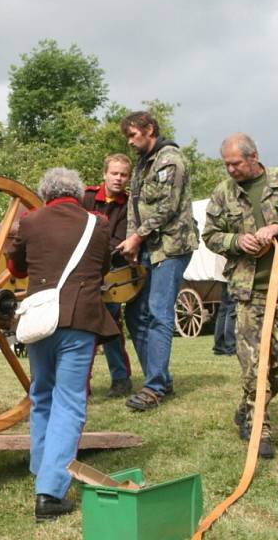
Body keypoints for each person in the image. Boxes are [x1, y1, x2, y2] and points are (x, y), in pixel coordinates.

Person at [7, 168, 118, 523]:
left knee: (41, 394)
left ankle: (42, 470)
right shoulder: (97, 223)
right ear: (77, 193)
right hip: (80, 319)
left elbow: (17, 268)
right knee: (69, 401)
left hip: (39, 319)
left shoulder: (31, 220)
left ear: (46, 194)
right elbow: (102, 268)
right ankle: (50, 493)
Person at [202, 133, 278, 459]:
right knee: (255, 362)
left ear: (254, 156)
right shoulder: (222, 193)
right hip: (248, 290)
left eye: (236, 163)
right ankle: (260, 427)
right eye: (226, 163)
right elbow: (210, 235)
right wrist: (236, 242)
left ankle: (246, 407)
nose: (231, 169)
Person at [116, 111, 199, 411]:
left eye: (133, 135)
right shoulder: (142, 165)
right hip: (148, 247)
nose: (130, 141)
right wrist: (132, 243)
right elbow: (133, 208)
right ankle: (160, 377)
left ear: (149, 129)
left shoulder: (170, 160)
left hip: (172, 247)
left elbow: (167, 207)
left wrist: (138, 236)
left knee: (157, 313)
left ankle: (153, 388)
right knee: (135, 314)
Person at [82, 153, 134, 398]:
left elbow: (119, 240)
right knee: (88, 328)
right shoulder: (87, 197)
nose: (119, 178)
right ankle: (84, 383)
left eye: (123, 175)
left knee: (108, 326)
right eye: (114, 173)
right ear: (104, 174)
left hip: (112, 271)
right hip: (82, 269)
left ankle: (120, 379)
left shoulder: (128, 205)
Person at [212, 284, 237, 356]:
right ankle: (230, 346)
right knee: (231, 309)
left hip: (222, 277)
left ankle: (219, 346)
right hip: (230, 276)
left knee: (223, 309)